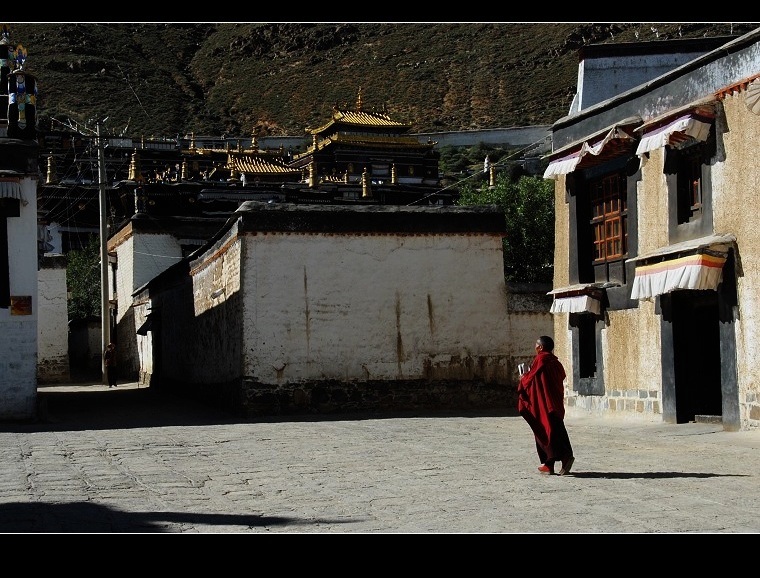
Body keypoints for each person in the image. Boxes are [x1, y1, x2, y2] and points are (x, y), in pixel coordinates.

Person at [517, 335, 575, 476]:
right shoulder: (556, 362)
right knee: (556, 429)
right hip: (554, 403)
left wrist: (523, 377)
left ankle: (560, 459)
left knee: (544, 430)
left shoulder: (541, 359)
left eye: (536, 345)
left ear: (541, 347)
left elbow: (530, 379)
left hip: (543, 404)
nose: (535, 348)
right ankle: (550, 464)